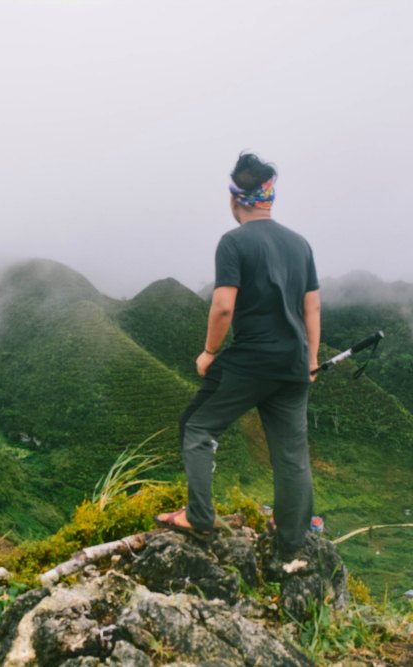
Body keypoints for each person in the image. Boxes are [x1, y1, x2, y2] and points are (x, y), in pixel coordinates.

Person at [155, 152, 321, 559]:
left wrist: (209, 352)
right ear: (269, 198)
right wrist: (311, 359)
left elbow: (224, 306)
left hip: (251, 359)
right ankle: (292, 543)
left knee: (197, 426)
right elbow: (312, 308)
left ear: (236, 200)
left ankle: (199, 516)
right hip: (294, 363)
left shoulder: (233, 243)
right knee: (291, 454)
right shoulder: (300, 244)